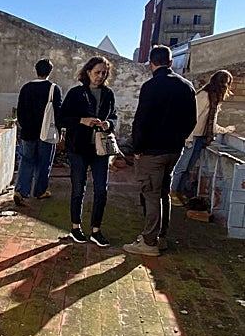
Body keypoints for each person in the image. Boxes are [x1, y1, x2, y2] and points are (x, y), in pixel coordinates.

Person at [123, 44, 197, 256]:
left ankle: (149, 241)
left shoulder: (151, 86)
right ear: (171, 62)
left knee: (151, 194)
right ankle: (160, 236)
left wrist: (137, 148)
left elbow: (142, 120)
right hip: (174, 149)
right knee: (163, 192)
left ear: (151, 64)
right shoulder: (186, 86)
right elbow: (191, 120)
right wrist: (178, 139)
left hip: (152, 151)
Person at [59, 56, 118, 247]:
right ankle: (75, 227)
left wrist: (108, 123)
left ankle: (96, 230)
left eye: (103, 73)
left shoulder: (108, 94)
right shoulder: (76, 93)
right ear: (88, 72)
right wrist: (81, 120)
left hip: (100, 149)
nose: (100, 76)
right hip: (78, 147)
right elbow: (62, 118)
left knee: (102, 189)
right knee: (79, 188)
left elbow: (115, 117)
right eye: (97, 72)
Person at [171, 69, 234, 200]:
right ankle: (172, 192)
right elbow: (190, 117)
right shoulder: (204, 96)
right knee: (181, 167)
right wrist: (187, 139)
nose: (226, 87)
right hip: (191, 137)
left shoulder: (214, 99)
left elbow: (210, 123)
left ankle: (178, 192)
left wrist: (225, 130)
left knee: (189, 168)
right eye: (225, 83)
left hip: (200, 137)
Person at [13, 58, 63, 205]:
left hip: (28, 132)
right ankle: (40, 191)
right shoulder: (54, 88)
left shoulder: (26, 88)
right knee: (44, 162)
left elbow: (20, 112)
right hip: (46, 132)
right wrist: (60, 131)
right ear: (49, 71)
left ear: (36, 70)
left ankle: (21, 191)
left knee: (26, 161)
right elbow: (58, 112)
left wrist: (24, 127)